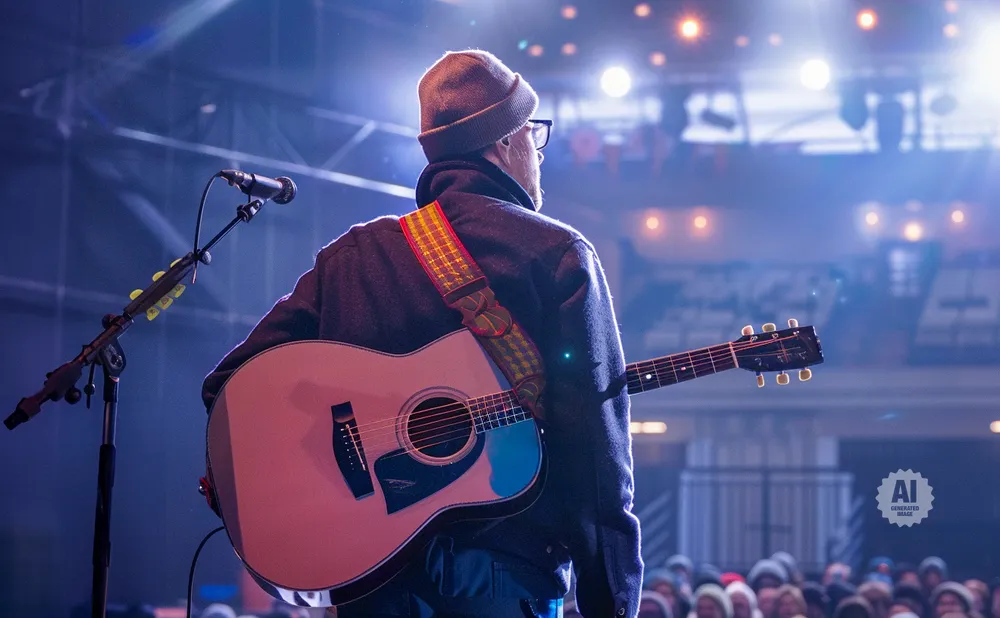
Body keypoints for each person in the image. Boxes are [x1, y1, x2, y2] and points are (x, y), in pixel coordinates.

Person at [201, 49, 643, 617]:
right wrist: (614, 602)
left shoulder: (353, 256)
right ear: (503, 142)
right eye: (535, 134)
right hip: (505, 589)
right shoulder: (556, 256)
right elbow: (597, 459)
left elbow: (229, 388)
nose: (537, 150)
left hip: (372, 591)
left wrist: (284, 492)